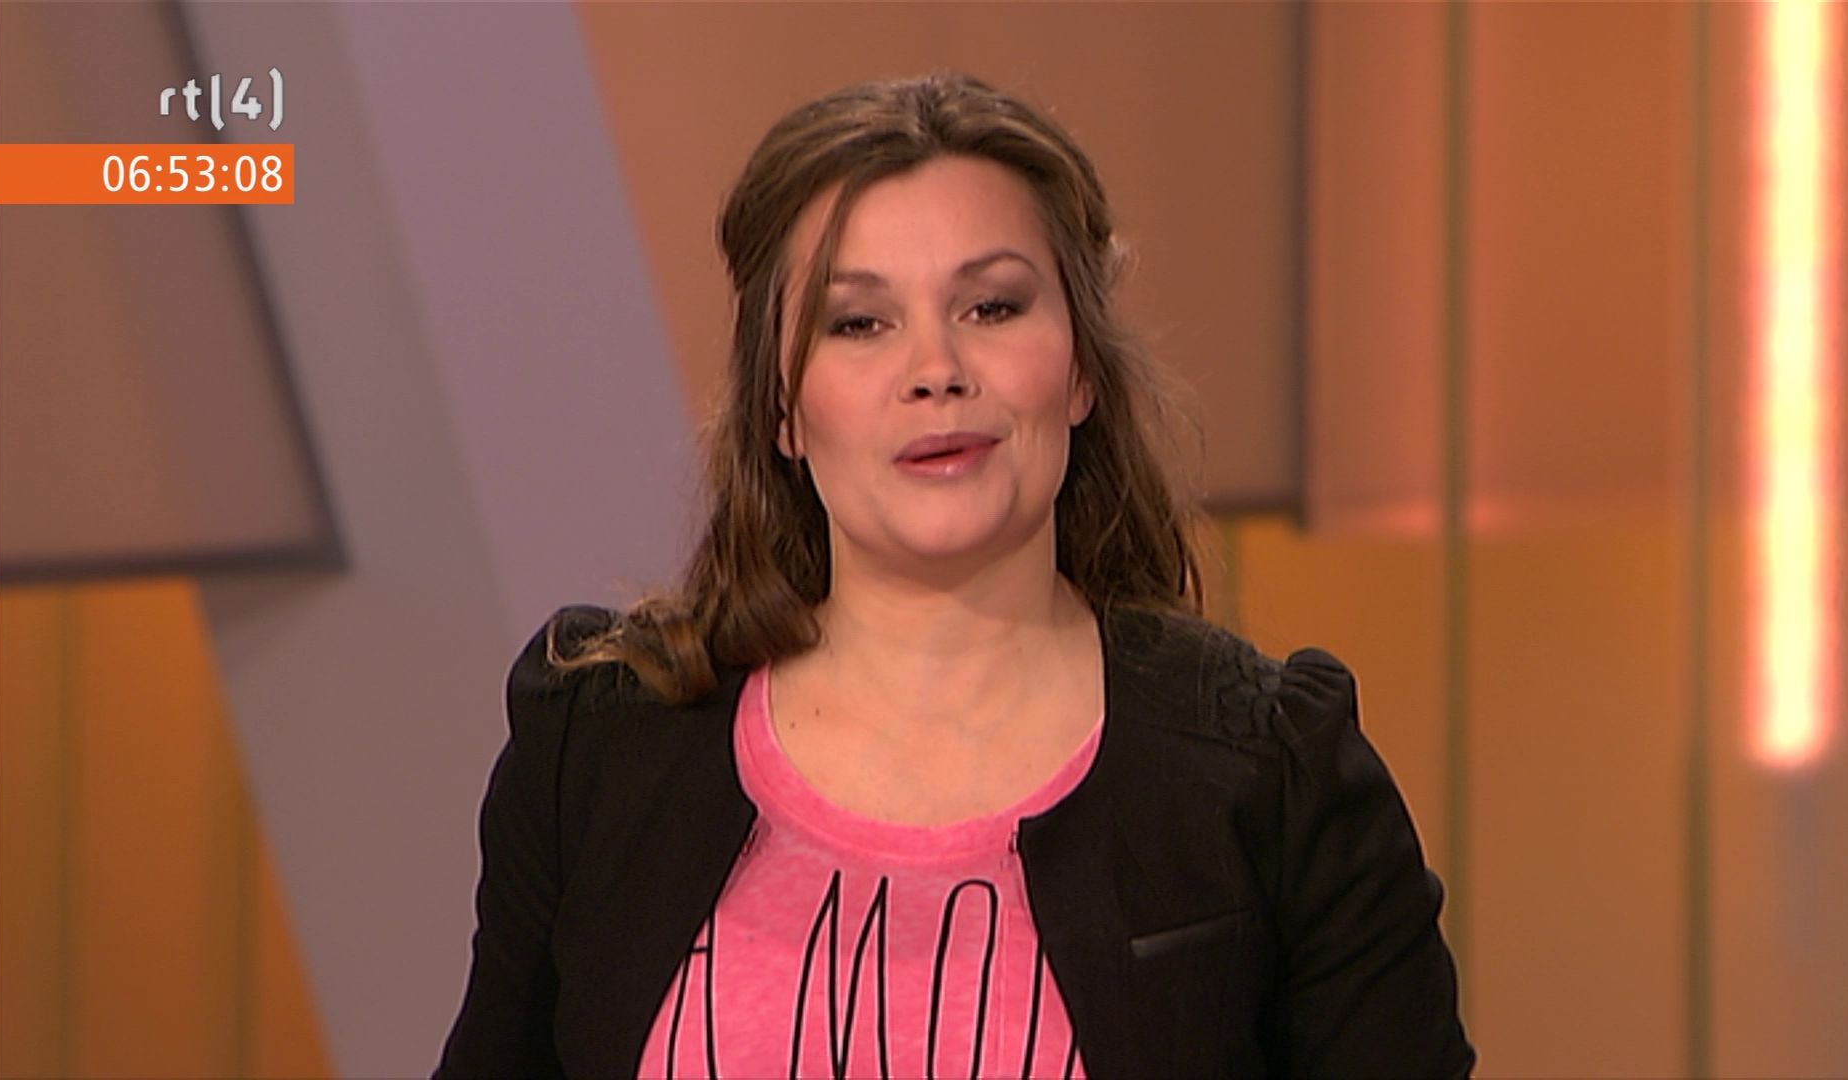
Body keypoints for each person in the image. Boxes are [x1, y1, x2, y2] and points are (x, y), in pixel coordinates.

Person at [435, 71, 1473, 1079]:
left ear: (1080, 372)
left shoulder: (1273, 772)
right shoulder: (598, 747)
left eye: (991, 308)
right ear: (781, 409)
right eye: (859, 323)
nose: (936, 371)